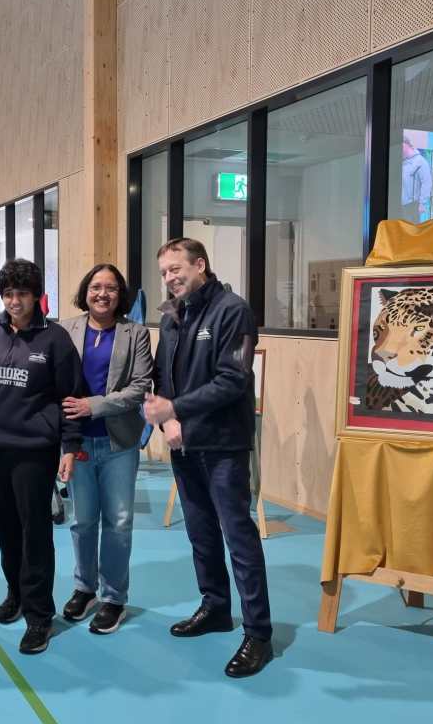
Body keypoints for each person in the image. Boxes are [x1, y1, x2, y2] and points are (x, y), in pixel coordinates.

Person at [144, 237, 273, 679]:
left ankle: (258, 633)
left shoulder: (233, 311)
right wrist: (168, 422)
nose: (169, 278)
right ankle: (216, 606)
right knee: (200, 533)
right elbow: (162, 378)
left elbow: (232, 380)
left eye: (176, 269)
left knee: (238, 537)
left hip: (223, 445)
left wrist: (176, 410)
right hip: (184, 443)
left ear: (200, 265)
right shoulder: (172, 316)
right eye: (164, 272)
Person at [0, 258, 83, 655]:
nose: (14, 302)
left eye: (22, 294)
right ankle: (16, 592)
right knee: (5, 529)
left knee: (35, 532)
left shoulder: (55, 339)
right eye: (8, 294)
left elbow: (70, 397)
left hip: (35, 451)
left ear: (37, 296)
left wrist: (70, 446)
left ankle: (40, 615)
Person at [58, 264, 153, 634]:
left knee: (119, 521)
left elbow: (140, 387)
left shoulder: (136, 333)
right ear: (86, 291)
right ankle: (85, 588)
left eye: (110, 288)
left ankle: (114, 597)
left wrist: (92, 406)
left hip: (119, 442)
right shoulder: (66, 329)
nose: (102, 294)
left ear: (120, 294)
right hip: (77, 443)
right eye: (96, 287)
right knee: (82, 520)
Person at [401, 136, 432, 220]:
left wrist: (422, 203)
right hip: (401, 204)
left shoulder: (420, 162)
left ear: (405, 145)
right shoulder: (402, 161)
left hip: (412, 205)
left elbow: (426, 183)